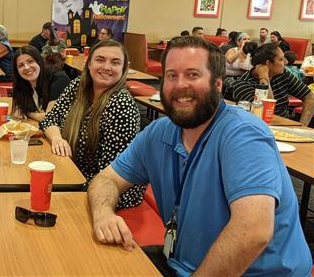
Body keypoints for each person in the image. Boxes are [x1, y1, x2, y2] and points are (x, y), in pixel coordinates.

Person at [87, 35, 312, 277]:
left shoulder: (243, 134)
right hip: (182, 263)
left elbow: (253, 231)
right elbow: (106, 179)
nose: (180, 85)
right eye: (172, 75)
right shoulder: (159, 133)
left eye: (193, 75)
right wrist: (103, 215)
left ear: (218, 84)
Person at [40, 39, 146, 207]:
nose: (106, 67)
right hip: (76, 174)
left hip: (110, 193)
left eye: (115, 62)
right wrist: (57, 138)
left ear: (124, 69)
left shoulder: (121, 105)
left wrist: (65, 186)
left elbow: (109, 176)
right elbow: (50, 118)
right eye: (100, 59)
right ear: (89, 64)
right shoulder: (78, 86)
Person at [233, 43, 314, 125]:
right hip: (258, 129)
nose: (286, 62)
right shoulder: (243, 83)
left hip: (285, 126)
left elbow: (310, 97)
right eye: (281, 59)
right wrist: (264, 77)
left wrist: (302, 126)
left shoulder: (283, 74)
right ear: (268, 64)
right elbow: (266, 110)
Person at [11, 45, 69, 122]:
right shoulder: (22, 84)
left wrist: (28, 113)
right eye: (21, 65)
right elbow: (17, 110)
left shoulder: (59, 79)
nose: (26, 67)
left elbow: (51, 119)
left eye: (30, 61)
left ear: (39, 61)